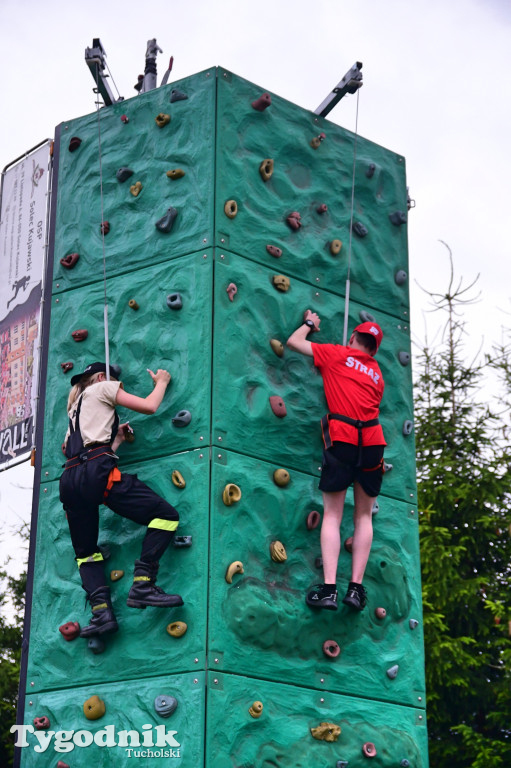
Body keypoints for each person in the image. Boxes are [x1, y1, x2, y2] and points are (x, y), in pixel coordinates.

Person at [59, 362, 183, 638]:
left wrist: (115, 441)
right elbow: (149, 407)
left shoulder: (75, 408)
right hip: (97, 475)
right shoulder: (103, 387)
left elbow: (78, 450)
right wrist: (161, 382)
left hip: (70, 481)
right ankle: (143, 585)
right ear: (103, 378)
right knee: (166, 516)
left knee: (85, 553)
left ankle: (101, 613)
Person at [286, 311, 386, 612]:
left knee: (332, 514)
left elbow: (293, 342)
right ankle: (355, 590)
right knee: (364, 517)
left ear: (353, 338)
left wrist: (309, 324)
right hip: (372, 443)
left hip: (342, 437)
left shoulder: (335, 353)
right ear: (374, 349)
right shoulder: (377, 375)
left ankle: (329, 589)